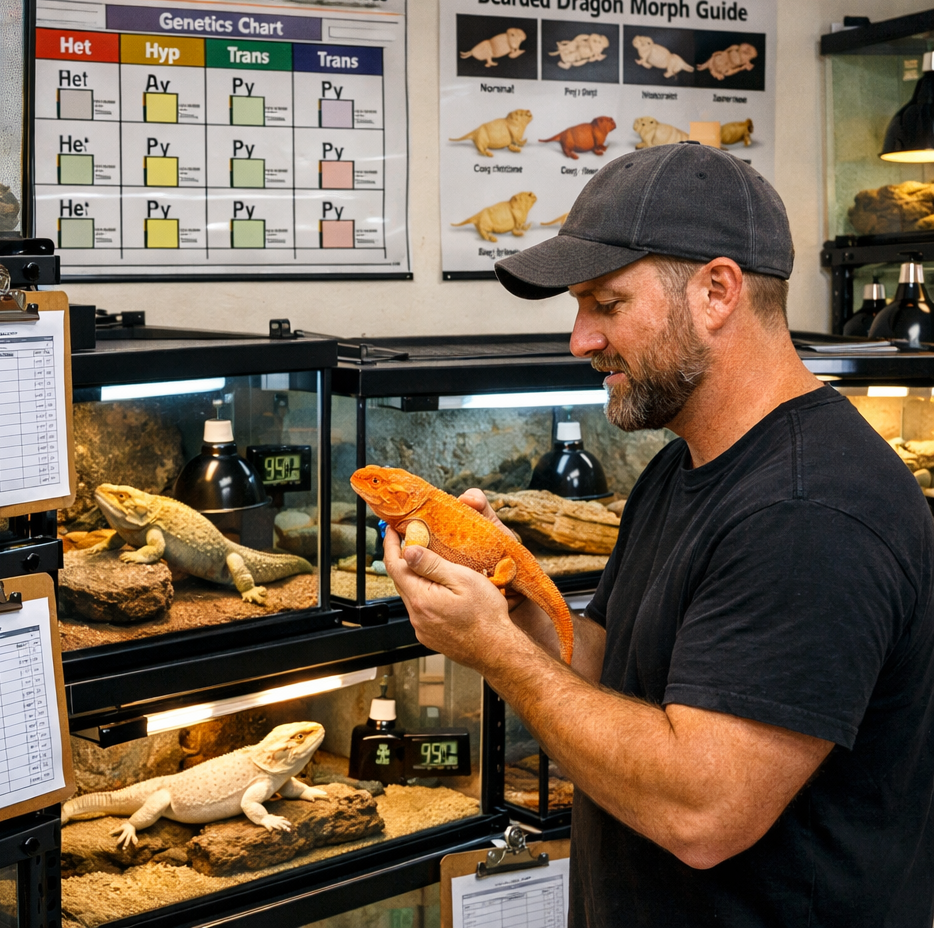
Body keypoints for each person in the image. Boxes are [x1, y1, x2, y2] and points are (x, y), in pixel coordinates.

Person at [384, 142, 934, 927]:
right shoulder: (681, 466)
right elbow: (612, 670)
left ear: (717, 292)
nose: (580, 339)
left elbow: (704, 813)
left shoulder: (811, 512)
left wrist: (495, 653)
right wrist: (503, 598)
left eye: (607, 305)